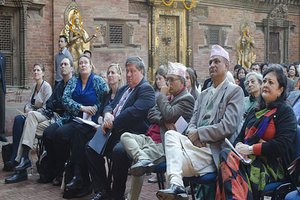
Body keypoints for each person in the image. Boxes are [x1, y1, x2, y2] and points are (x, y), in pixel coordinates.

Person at [156, 45, 244, 199]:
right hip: (194, 147)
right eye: (210, 62)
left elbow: (227, 126)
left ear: (227, 66)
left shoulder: (234, 91)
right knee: (171, 134)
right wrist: (192, 134)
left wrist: (200, 134)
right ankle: (177, 185)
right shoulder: (203, 94)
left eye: (217, 62)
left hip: (214, 151)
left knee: (171, 166)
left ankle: (176, 185)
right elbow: (192, 122)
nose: (212, 65)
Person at [216, 65, 297, 199]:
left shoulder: (285, 112)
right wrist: (238, 148)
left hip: (271, 166)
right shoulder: (255, 111)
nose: (265, 84)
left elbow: (281, 146)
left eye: (271, 82)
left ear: (280, 90)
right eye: (264, 81)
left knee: (229, 166)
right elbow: (240, 138)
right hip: (247, 159)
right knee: (227, 154)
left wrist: (251, 148)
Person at [121, 62, 195, 200]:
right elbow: (151, 113)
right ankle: (143, 158)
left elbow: (168, 113)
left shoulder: (187, 99)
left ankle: (132, 197)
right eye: (167, 80)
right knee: (125, 136)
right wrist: (164, 121)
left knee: (138, 166)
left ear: (182, 82)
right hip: (150, 137)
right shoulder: (168, 97)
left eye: (172, 80)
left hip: (163, 144)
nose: (168, 83)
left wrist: (161, 96)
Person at [86, 56, 155, 200]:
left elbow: (133, 113)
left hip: (133, 135)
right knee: (90, 148)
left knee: (119, 152)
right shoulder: (124, 88)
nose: (128, 75)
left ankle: (117, 194)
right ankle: (103, 190)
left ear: (141, 71)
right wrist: (106, 115)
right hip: (114, 131)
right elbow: (110, 104)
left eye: (132, 71)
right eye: (127, 71)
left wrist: (113, 121)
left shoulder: (146, 89)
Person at [4, 58, 73, 183]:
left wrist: (48, 106)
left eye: (65, 64)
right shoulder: (58, 85)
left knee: (29, 119)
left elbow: (54, 105)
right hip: (45, 117)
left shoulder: (62, 85)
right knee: (24, 122)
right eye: (61, 64)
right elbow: (51, 103)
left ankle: (22, 159)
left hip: (56, 118)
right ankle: (22, 164)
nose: (62, 66)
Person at [49, 54, 107, 198]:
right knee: (60, 134)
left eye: (85, 62)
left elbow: (106, 98)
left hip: (92, 123)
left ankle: (76, 174)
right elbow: (65, 99)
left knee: (77, 137)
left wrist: (95, 107)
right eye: (80, 63)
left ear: (90, 65)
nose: (82, 65)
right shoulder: (73, 81)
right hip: (76, 120)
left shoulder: (98, 81)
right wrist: (82, 107)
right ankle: (66, 170)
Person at [3, 64, 52, 172]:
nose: (35, 72)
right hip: (32, 115)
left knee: (28, 116)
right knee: (18, 119)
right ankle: (15, 156)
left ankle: (23, 157)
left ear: (43, 73)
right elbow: (29, 104)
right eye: (34, 70)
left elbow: (48, 108)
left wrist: (32, 111)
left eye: (38, 70)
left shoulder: (46, 87)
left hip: (43, 116)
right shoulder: (34, 87)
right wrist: (27, 109)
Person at [0, 51, 7, 142]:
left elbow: (3, 71)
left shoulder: (2, 56)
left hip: (0, 85)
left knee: (1, 109)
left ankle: (1, 133)